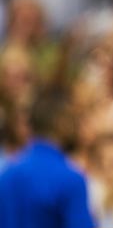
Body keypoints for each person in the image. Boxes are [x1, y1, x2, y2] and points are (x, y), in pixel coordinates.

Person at [0, 90, 95, 228]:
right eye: (74, 119)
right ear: (61, 122)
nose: (78, 126)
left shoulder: (7, 174)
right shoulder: (71, 179)